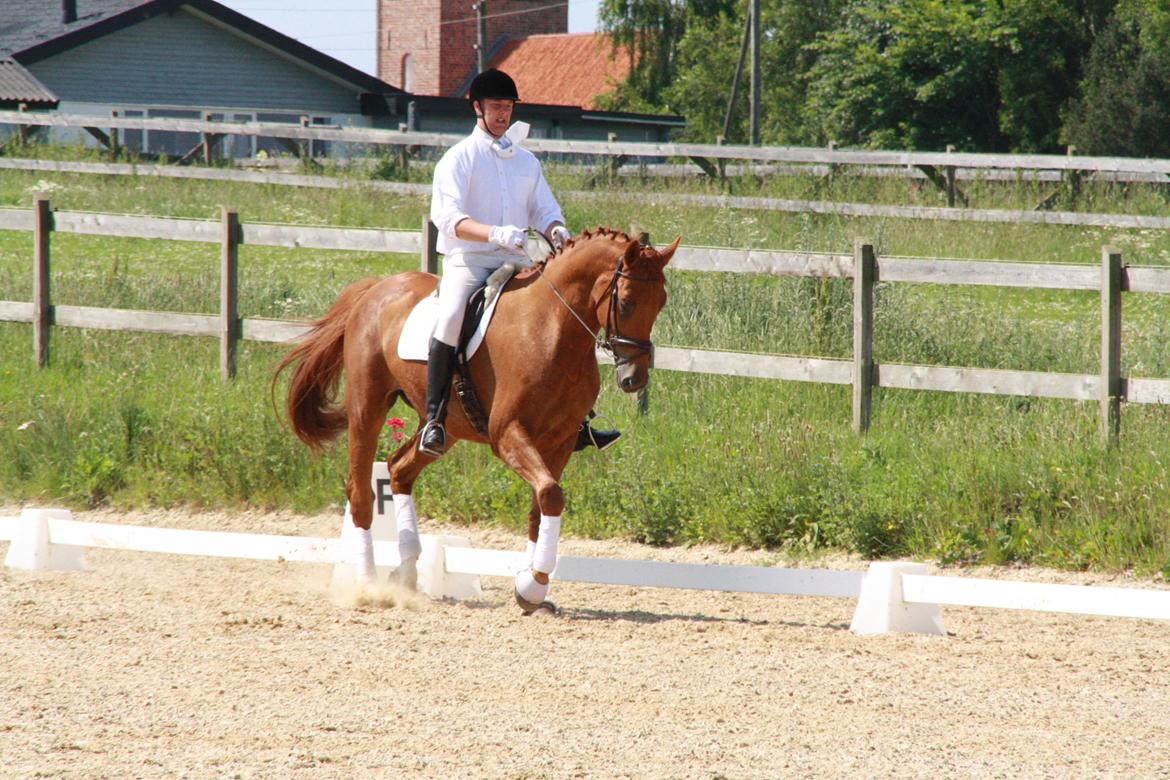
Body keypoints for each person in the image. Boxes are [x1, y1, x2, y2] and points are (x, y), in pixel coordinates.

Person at [421, 68, 619, 457]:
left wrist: (558, 233)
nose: (502, 114)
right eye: (495, 106)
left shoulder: (526, 161)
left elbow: (544, 210)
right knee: (451, 315)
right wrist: (493, 233)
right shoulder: (458, 159)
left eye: (507, 107)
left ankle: (578, 418)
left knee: (558, 314)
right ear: (477, 108)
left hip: (515, 260)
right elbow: (448, 219)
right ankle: (434, 418)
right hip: (470, 259)